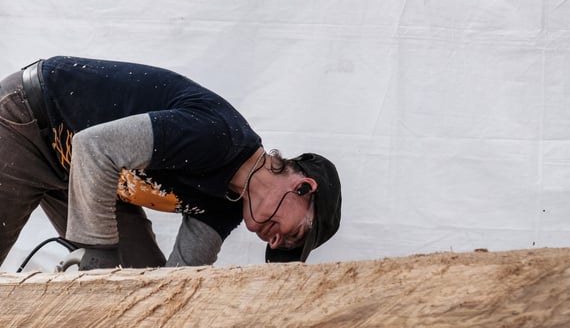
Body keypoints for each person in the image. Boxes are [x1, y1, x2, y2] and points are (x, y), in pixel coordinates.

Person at [0, 56, 342, 270]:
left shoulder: (226, 208)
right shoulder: (219, 137)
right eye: (294, 234)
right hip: (30, 121)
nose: (275, 243)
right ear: (303, 187)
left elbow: (174, 281)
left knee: (142, 289)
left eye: (281, 247)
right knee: (106, 261)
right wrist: (99, 250)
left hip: (85, 172)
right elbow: (94, 147)